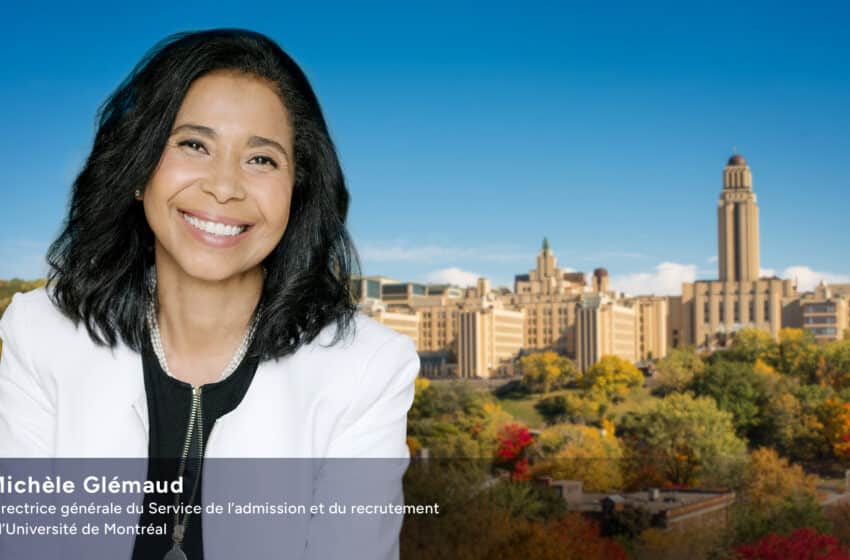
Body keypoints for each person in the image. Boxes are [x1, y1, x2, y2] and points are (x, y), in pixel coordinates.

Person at [0, 28, 419, 559]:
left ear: (298, 191)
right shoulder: (41, 332)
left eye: (261, 159)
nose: (224, 186)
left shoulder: (367, 368)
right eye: (194, 145)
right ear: (138, 168)